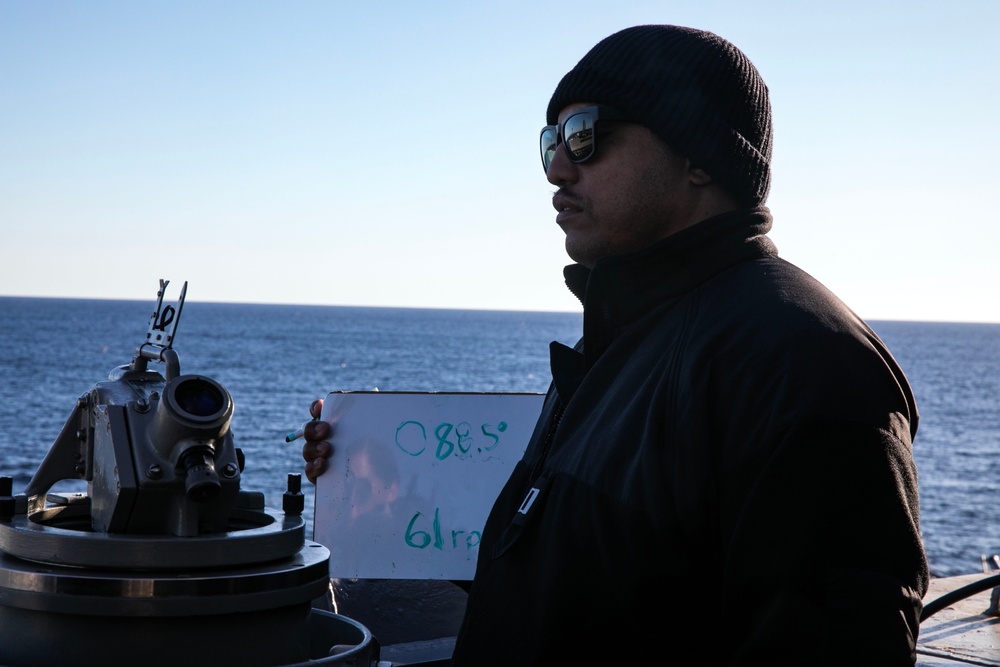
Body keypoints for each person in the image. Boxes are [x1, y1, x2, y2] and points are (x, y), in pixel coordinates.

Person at [303, 24, 929, 665]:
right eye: (551, 142)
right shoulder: (626, 340)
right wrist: (376, 484)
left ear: (701, 156)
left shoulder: (796, 360)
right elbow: (581, 571)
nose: (556, 169)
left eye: (584, 137)